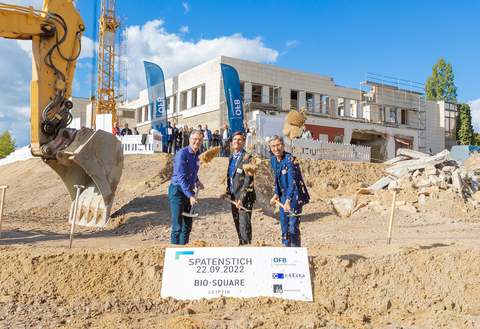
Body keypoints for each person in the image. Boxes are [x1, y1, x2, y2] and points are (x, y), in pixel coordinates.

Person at [269, 135, 310, 247]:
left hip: (295, 195)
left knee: (293, 227)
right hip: (283, 196)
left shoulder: (291, 159)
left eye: (278, 145)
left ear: (283, 145)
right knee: (284, 226)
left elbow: (293, 181)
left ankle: (296, 252)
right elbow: (277, 178)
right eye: (273, 146)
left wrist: (288, 200)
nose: (276, 148)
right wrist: (276, 193)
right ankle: (286, 251)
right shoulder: (273, 159)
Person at [169, 130, 205, 245]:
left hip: (188, 191)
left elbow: (192, 172)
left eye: (200, 140)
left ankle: (184, 252)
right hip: (177, 191)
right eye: (195, 139)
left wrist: (197, 181)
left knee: (187, 227)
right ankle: (175, 254)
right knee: (177, 226)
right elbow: (181, 177)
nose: (197, 141)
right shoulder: (182, 154)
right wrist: (190, 196)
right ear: (190, 140)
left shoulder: (198, 155)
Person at [220, 131, 256, 245]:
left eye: (239, 139)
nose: (237, 141)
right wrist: (227, 191)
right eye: (235, 139)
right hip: (234, 197)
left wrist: (242, 198)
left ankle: (247, 248)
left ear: (244, 142)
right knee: (237, 224)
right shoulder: (231, 157)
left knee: (244, 226)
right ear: (232, 141)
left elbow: (248, 180)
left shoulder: (248, 157)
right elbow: (231, 177)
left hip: (244, 198)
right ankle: (241, 246)